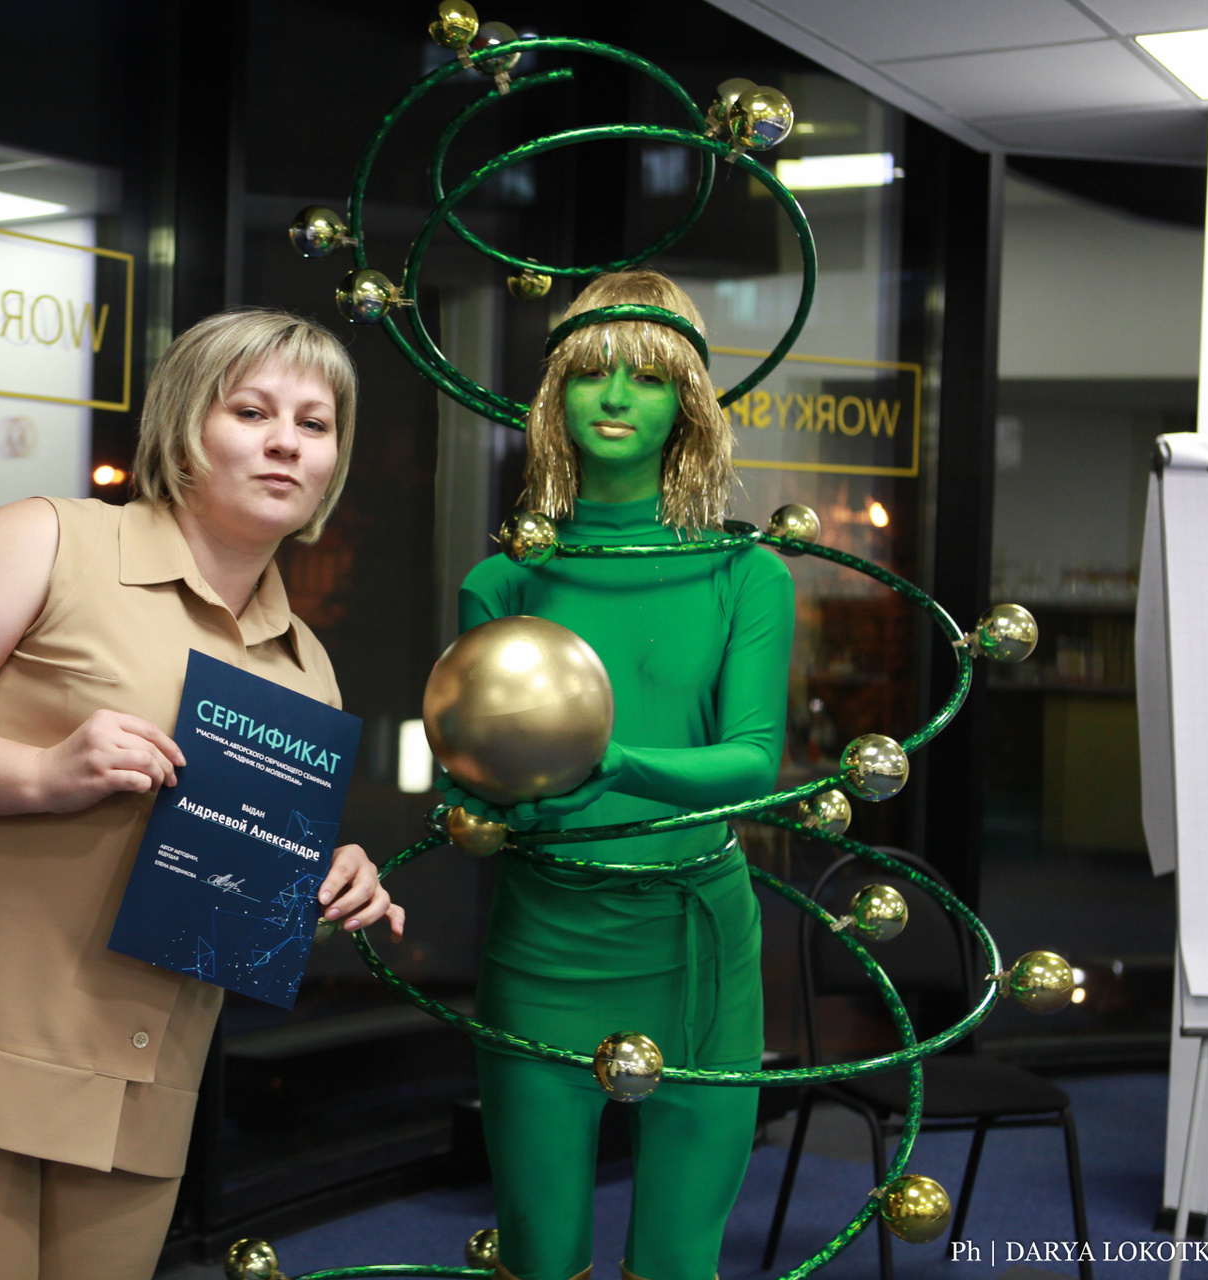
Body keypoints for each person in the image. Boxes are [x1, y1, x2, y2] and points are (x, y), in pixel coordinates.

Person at [0, 308, 405, 1280]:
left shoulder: (305, 664)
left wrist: (321, 874)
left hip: (137, 1088)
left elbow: (224, 882)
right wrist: (40, 773)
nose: (286, 442)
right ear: (183, 429)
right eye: (251, 411)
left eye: (315, 424)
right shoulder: (50, 540)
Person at [447, 271, 795, 1280]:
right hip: (545, 937)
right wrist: (485, 800)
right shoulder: (504, 580)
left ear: (687, 402)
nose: (613, 397)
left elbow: (753, 763)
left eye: (647, 377)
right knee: (540, 1256)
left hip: (700, 948)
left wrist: (610, 761)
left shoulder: (746, 573)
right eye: (590, 372)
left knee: (679, 1260)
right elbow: (483, 777)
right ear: (555, 393)